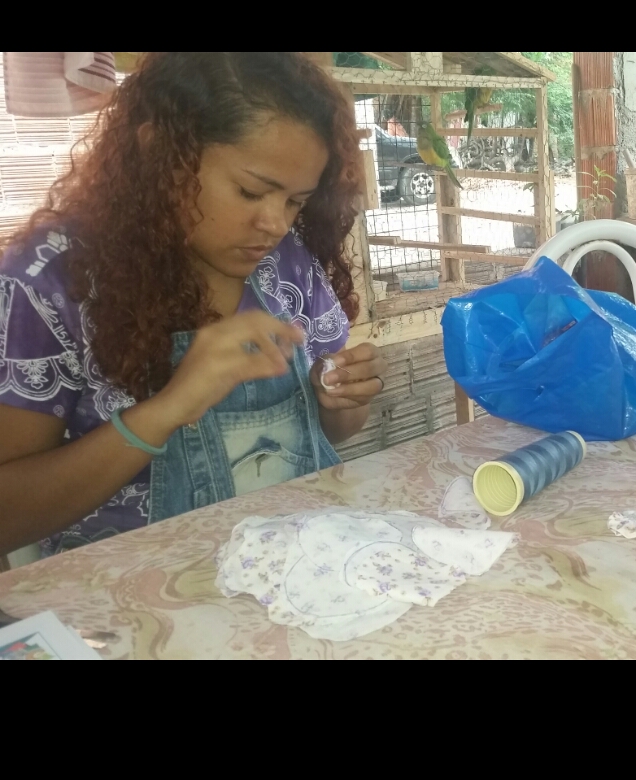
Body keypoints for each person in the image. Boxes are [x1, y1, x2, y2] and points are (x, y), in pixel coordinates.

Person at [0, 52, 387, 558]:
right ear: (162, 155)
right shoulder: (49, 280)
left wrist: (342, 398)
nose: (275, 224)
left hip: (296, 560)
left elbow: (336, 432)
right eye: (250, 191)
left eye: (295, 201)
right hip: (131, 584)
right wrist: (167, 409)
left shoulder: (287, 264)